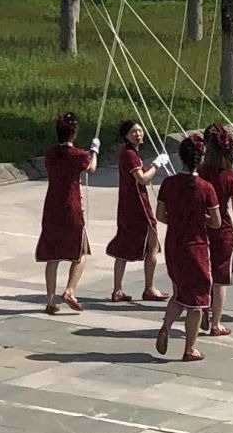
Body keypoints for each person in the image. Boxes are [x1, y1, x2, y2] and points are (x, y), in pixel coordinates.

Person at [154, 143, 219, 361]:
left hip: (174, 244)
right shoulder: (206, 188)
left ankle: (165, 327)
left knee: (180, 293)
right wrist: (200, 218)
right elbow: (216, 222)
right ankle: (190, 348)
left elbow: (160, 215)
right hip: (196, 245)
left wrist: (178, 220)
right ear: (201, 159)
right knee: (197, 302)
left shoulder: (168, 183)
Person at [38, 111, 96, 314]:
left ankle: (50, 300)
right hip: (71, 205)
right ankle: (70, 290)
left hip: (52, 206)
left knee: (52, 256)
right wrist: (94, 152)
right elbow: (90, 168)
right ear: (75, 132)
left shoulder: (49, 153)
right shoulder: (79, 155)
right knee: (81, 252)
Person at [103, 118, 159, 305]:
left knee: (125, 244)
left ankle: (118, 289)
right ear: (126, 136)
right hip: (138, 205)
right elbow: (142, 179)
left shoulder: (129, 153)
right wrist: (156, 166)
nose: (138, 134)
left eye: (140, 130)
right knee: (152, 243)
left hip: (128, 204)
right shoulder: (130, 155)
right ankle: (148, 288)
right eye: (133, 132)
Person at [201, 124, 233, 330]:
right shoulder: (230, 177)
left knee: (204, 271)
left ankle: (203, 308)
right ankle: (216, 323)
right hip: (223, 230)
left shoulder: (201, 171)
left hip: (202, 227)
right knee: (221, 278)